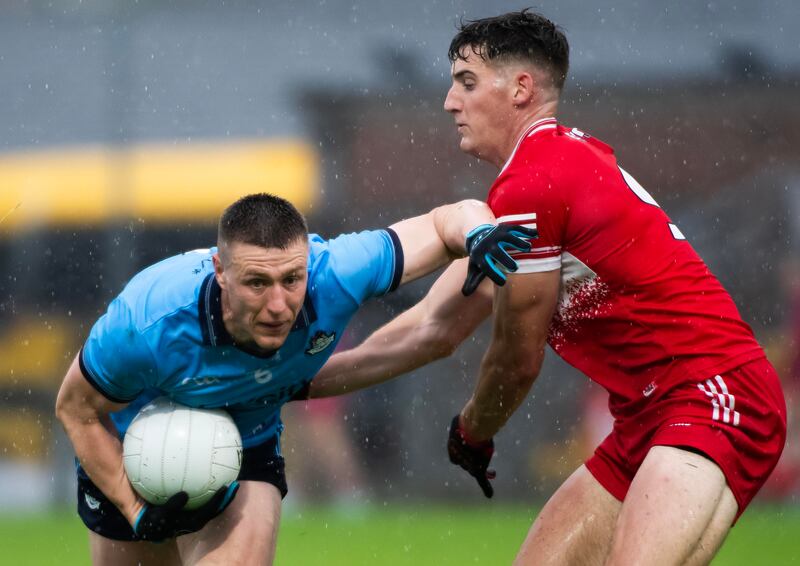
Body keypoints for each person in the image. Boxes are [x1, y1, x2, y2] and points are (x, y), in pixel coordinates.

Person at [310, 10, 787, 565]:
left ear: (520, 89)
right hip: (649, 416)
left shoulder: (534, 181)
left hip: (712, 395)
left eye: (466, 83)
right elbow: (432, 328)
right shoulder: (537, 178)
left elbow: (517, 357)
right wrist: (292, 383)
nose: (449, 102)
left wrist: (474, 428)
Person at [54, 192, 534, 566]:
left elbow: (445, 219)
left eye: (291, 278)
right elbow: (75, 409)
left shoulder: (337, 272)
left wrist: (479, 230)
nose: (280, 304)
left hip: (246, 442)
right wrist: (134, 508)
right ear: (221, 272)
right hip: (133, 448)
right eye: (257, 283)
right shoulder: (147, 321)